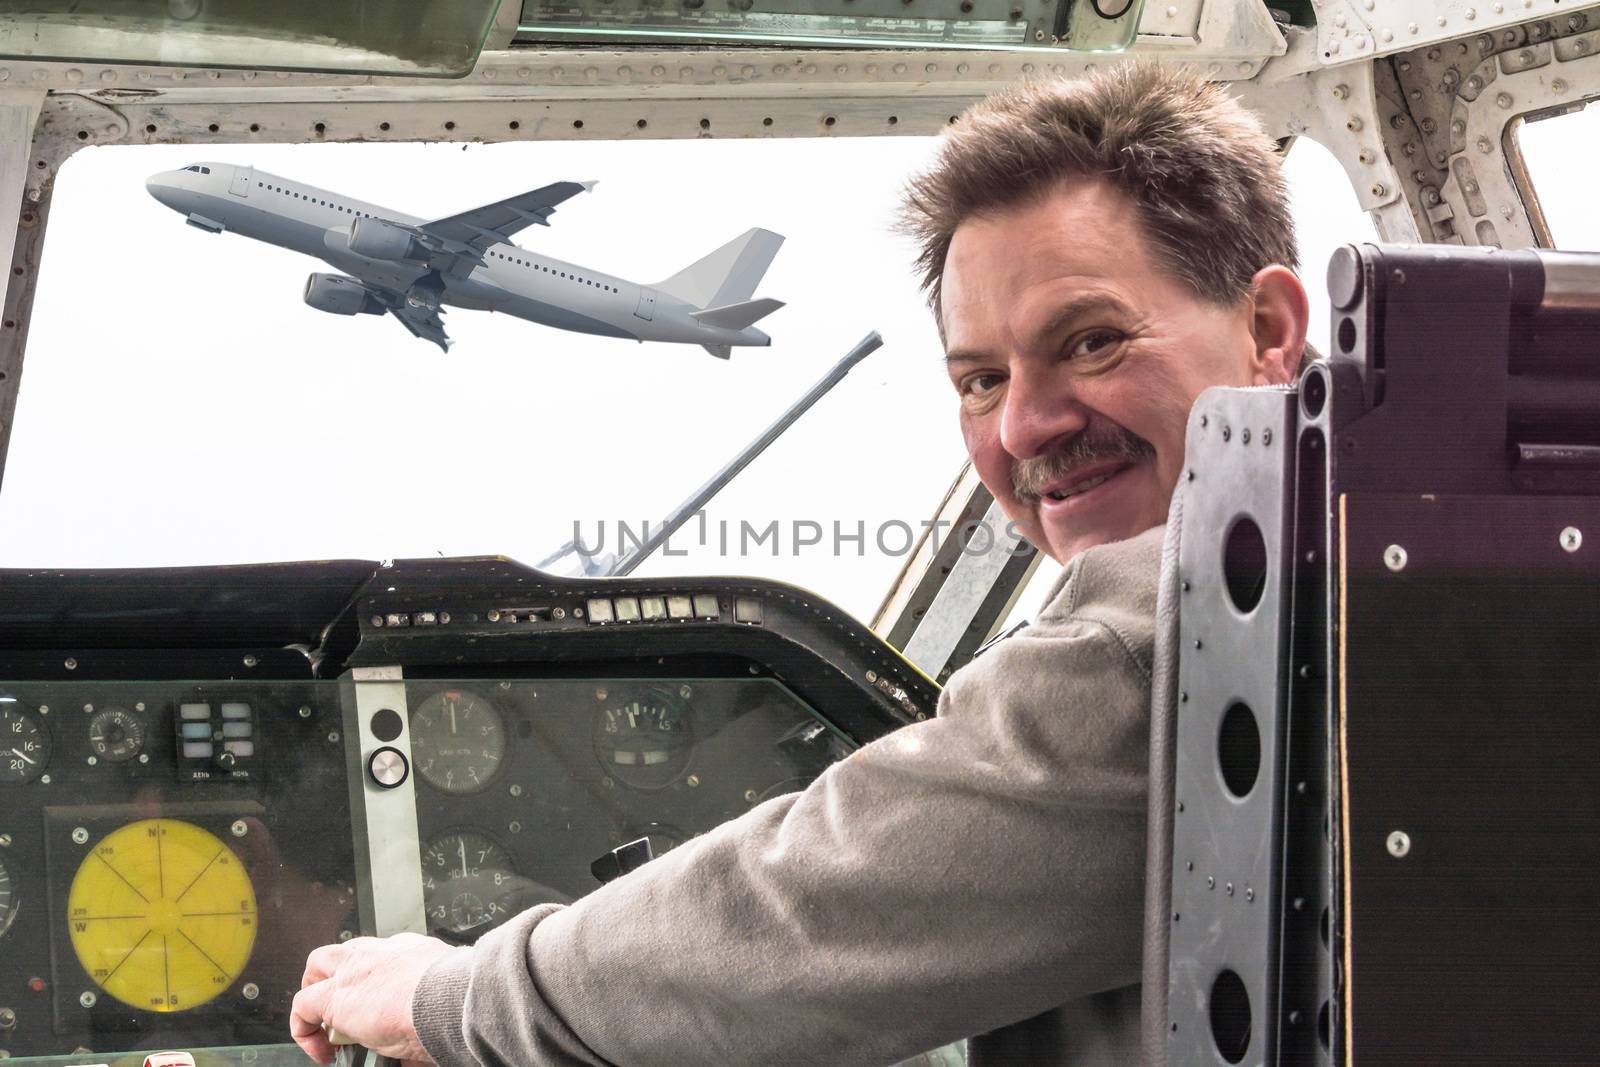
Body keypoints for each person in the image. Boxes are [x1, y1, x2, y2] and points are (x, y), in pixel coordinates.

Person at [289, 63, 1309, 1067]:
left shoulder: (1191, 636)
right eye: (981, 378)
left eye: (1090, 342)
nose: (1025, 424)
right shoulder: (1367, 556)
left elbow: (800, 914)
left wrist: (442, 994)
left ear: (1268, 330)